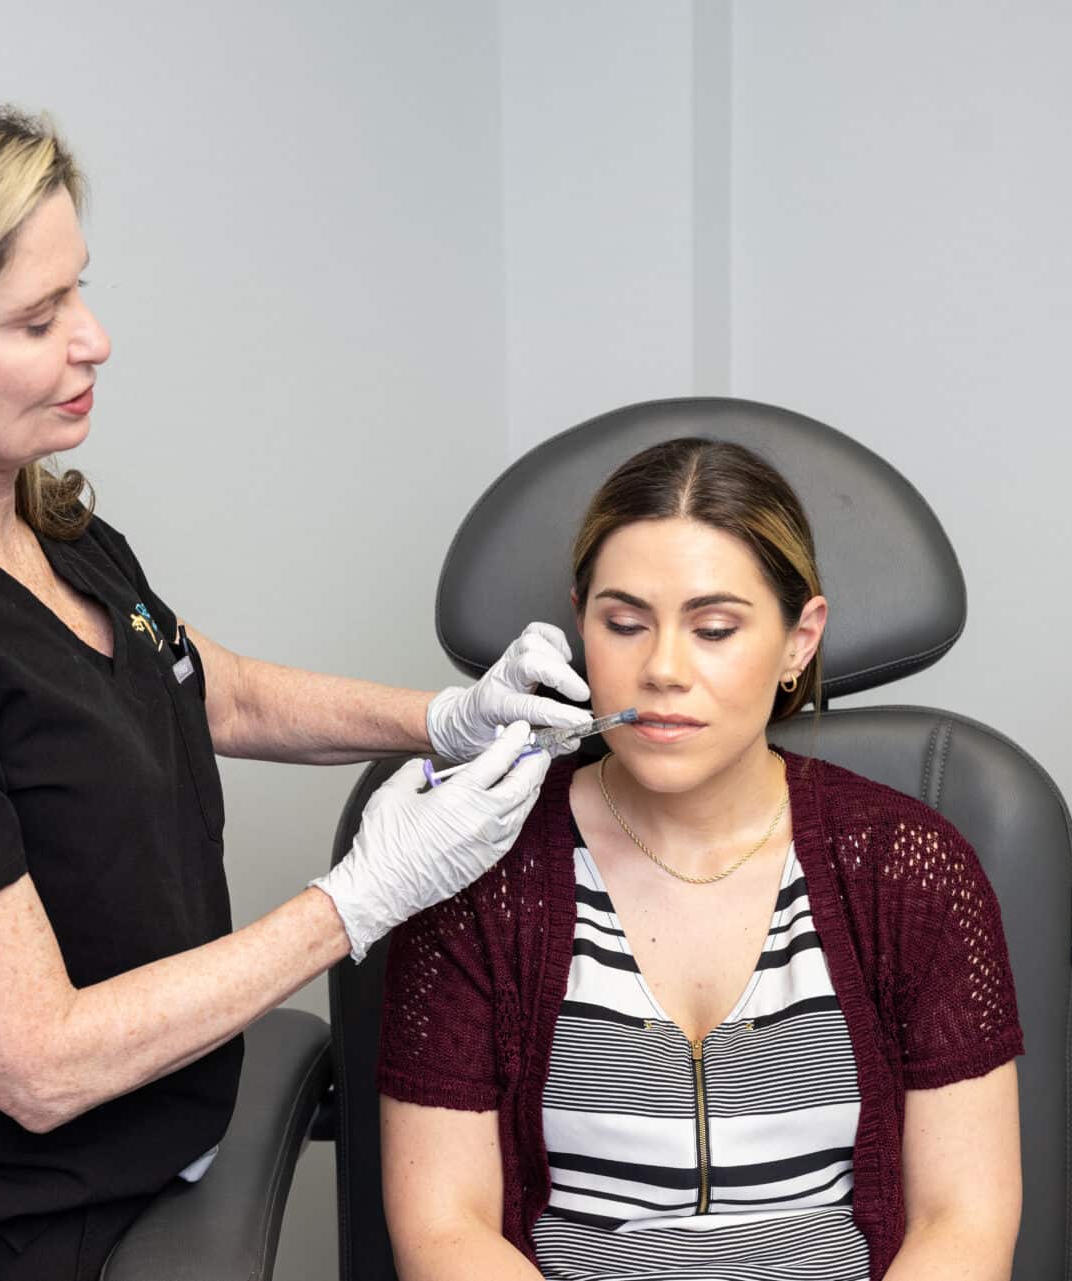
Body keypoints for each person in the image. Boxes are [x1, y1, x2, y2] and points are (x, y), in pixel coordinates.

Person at [0, 86, 591, 1280]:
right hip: (25, 1238)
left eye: (79, 290)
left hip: (168, 1145)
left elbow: (206, 689)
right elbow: (36, 1064)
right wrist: (359, 900)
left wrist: (445, 716)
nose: (91, 339)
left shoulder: (38, 526)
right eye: (37, 318)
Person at [377, 438, 1026, 1281]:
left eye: (714, 628)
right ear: (580, 623)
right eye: (622, 623)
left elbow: (962, 1222)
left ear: (800, 640)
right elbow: (442, 1230)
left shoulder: (909, 867)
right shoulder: (478, 869)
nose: (661, 670)